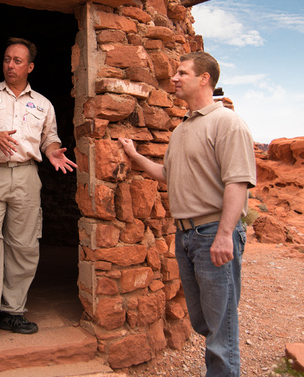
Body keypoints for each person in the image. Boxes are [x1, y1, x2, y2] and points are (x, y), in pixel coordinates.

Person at [119, 51, 256, 377]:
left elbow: (238, 181)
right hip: (187, 236)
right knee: (203, 320)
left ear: (204, 78)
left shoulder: (226, 123)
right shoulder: (182, 130)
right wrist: (134, 155)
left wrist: (225, 235)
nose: (174, 78)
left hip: (213, 233)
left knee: (220, 327)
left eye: (182, 73)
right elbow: (169, 174)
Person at [0, 37, 77, 353]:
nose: (10, 65)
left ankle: (12, 311)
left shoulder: (44, 104)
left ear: (29, 66)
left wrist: (52, 152)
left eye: (17, 60)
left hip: (26, 177)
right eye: (7, 59)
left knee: (24, 247)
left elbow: (50, 138)